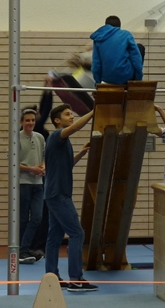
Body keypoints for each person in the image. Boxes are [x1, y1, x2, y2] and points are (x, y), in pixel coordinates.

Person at [44, 104, 97, 292]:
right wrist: (93, 112)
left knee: (55, 236)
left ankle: (52, 277)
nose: (71, 116)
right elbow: (75, 128)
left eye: (72, 113)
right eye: (67, 114)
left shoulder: (62, 142)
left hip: (55, 194)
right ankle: (76, 279)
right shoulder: (57, 136)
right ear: (57, 120)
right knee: (77, 233)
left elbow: (67, 165)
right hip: (58, 194)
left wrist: (81, 153)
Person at [18, 108, 46, 264]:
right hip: (23, 183)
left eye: (33, 120)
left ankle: (25, 249)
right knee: (22, 219)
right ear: (21, 122)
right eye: (27, 120)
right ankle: (22, 251)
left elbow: (44, 157)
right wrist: (31, 169)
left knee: (37, 217)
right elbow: (13, 163)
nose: (30, 123)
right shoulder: (16, 138)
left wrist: (43, 167)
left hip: (38, 184)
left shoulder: (40, 137)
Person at [90, 15, 144, 85]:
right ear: (119, 27)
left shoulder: (98, 38)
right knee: (140, 47)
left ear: (106, 25)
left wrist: (98, 83)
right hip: (126, 76)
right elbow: (136, 59)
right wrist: (138, 79)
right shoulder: (126, 34)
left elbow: (96, 64)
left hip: (107, 78)